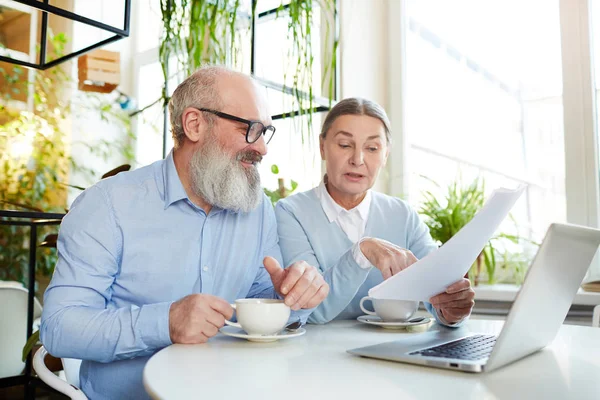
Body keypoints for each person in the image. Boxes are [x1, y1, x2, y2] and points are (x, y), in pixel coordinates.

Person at [40, 66, 329, 400]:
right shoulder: (107, 205)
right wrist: (165, 322)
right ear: (194, 124)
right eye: (249, 129)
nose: (262, 148)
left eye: (266, 132)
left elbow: (258, 295)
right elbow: (60, 328)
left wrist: (292, 295)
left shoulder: (257, 208)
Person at [275, 97, 474, 325]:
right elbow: (311, 308)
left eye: (371, 148)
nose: (357, 160)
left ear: (385, 154)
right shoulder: (290, 212)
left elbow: (437, 290)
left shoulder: (403, 216)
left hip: (391, 353)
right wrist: (362, 252)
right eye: (344, 145)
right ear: (322, 147)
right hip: (316, 354)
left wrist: (451, 310)